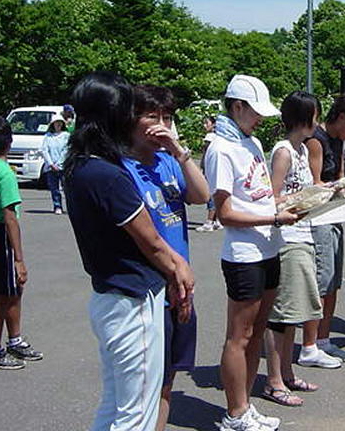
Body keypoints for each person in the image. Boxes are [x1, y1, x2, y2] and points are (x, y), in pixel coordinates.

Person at [64, 72, 194, 431]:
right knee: (137, 414)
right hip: (134, 301)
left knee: (116, 405)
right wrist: (180, 271)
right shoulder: (108, 175)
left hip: (110, 298)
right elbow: (152, 242)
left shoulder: (81, 166)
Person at [204, 74, 299, 431]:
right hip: (243, 254)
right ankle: (235, 414)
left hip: (268, 246)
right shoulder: (220, 149)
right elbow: (225, 213)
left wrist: (296, 202)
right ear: (237, 106)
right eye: (255, 111)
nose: (260, 118)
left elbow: (261, 195)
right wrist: (274, 217)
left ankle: (245, 405)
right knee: (239, 336)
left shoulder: (252, 142)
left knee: (258, 332)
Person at [122, 85, 210, 431]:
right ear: (131, 119)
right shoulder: (121, 169)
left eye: (167, 117)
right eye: (152, 116)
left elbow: (201, 195)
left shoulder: (168, 162)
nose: (161, 125)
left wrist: (178, 151)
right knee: (144, 384)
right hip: (150, 291)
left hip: (180, 287)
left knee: (168, 379)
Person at [263, 91, 335, 409]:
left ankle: (287, 373)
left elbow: (305, 190)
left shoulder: (303, 150)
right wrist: (304, 199)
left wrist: (325, 191)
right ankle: (274, 380)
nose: (318, 123)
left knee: (294, 312)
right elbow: (272, 198)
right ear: (304, 118)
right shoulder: (283, 152)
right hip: (287, 238)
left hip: (304, 234)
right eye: (315, 116)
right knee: (281, 314)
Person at [303, 90, 345, 365]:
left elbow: (341, 175)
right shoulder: (316, 140)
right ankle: (309, 345)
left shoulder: (341, 140)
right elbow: (314, 184)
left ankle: (323, 340)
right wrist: (337, 186)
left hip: (335, 213)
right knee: (321, 280)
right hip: (318, 216)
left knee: (334, 280)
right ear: (341, 117)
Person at [0, 115, 43, 369]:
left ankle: (14, 340)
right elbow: (10, 217)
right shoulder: (4, 173)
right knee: (1, 295)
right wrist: (19, 259)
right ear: (9, 141)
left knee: (13, 289)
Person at [41, 114, 70, 214]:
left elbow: (66, 150)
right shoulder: (48, 136)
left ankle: (70, 206)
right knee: (54, 189)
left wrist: (58, 163)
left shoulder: (66, 135)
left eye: (60, 123)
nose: (58, 124)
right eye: (56, 123)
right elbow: (44, 150)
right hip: (50, 167)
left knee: (67, 188)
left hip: (63, 166)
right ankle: (57, 206)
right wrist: (51, 164)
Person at [197, 115, 221, 233]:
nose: (204, 125)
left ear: (214, 124)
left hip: (209, 168)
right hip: (216, 167)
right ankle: (217, 221)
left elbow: (206, 155)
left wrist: (202, 167)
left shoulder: (210, 137)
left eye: (207, 123)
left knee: (210, 193)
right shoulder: (219, 137)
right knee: (216, 191)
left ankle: (209, 222)